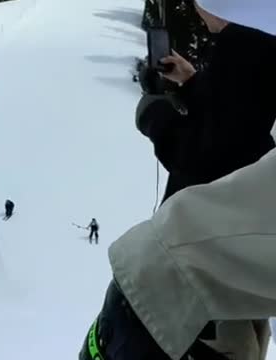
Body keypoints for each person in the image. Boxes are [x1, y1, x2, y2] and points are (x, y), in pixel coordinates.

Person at [80, 1, 276, 359]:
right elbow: (241, 136)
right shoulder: (253, 46)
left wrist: (155, 117)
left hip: (198, 289)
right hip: (221, 279)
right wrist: (192, 84)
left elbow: (210, 157)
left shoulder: (250, 47)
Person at [135, 0, 276, 204]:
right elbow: (235, 116)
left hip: (217, 224)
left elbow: (206, 160)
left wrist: (155, 116)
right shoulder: (257, 45)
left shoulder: (245, 49)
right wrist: (192, 81)